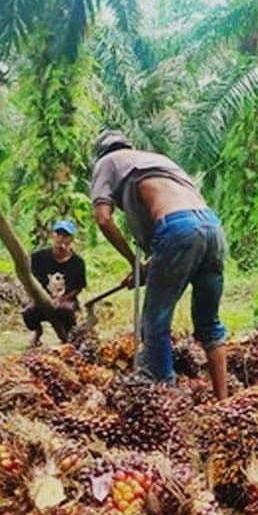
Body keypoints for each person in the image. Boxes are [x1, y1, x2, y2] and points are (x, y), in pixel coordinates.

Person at [89, 129, 229, 399]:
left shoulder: (107, 162)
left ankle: (167, 399)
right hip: (211, 227)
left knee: (154, 321)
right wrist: (146, 267)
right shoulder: (157, 160)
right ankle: (223, 401)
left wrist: (134, 262)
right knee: (209, 322)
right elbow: (188, 223)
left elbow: (104, 218)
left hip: (177, 229)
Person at [21, 219, 88, 345]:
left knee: (65, 310)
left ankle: (68, 335)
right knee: (28, 312)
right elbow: (29, 278)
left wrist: (62, 299)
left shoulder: (77, 262)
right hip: (41, 297)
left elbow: (78, 287)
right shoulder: (38, 257)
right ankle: (37, 331)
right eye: (58, 234)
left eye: (66, 235)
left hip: (65, 299)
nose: (61, 239)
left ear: (71, 239)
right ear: (52, 235)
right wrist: (36, 297)